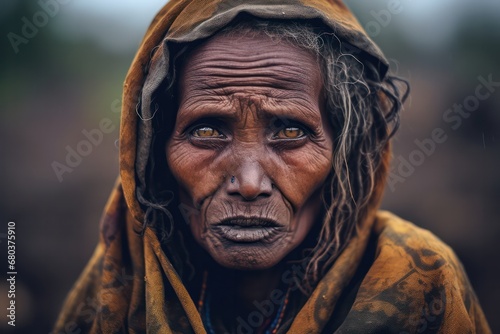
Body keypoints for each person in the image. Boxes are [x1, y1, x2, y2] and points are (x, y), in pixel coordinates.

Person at [53, 0, 491, 333]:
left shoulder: (419, 278)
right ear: (153, 153)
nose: (248, 183)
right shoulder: (123, 279)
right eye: (207, 132)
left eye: (290, 132)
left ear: (346, 150)